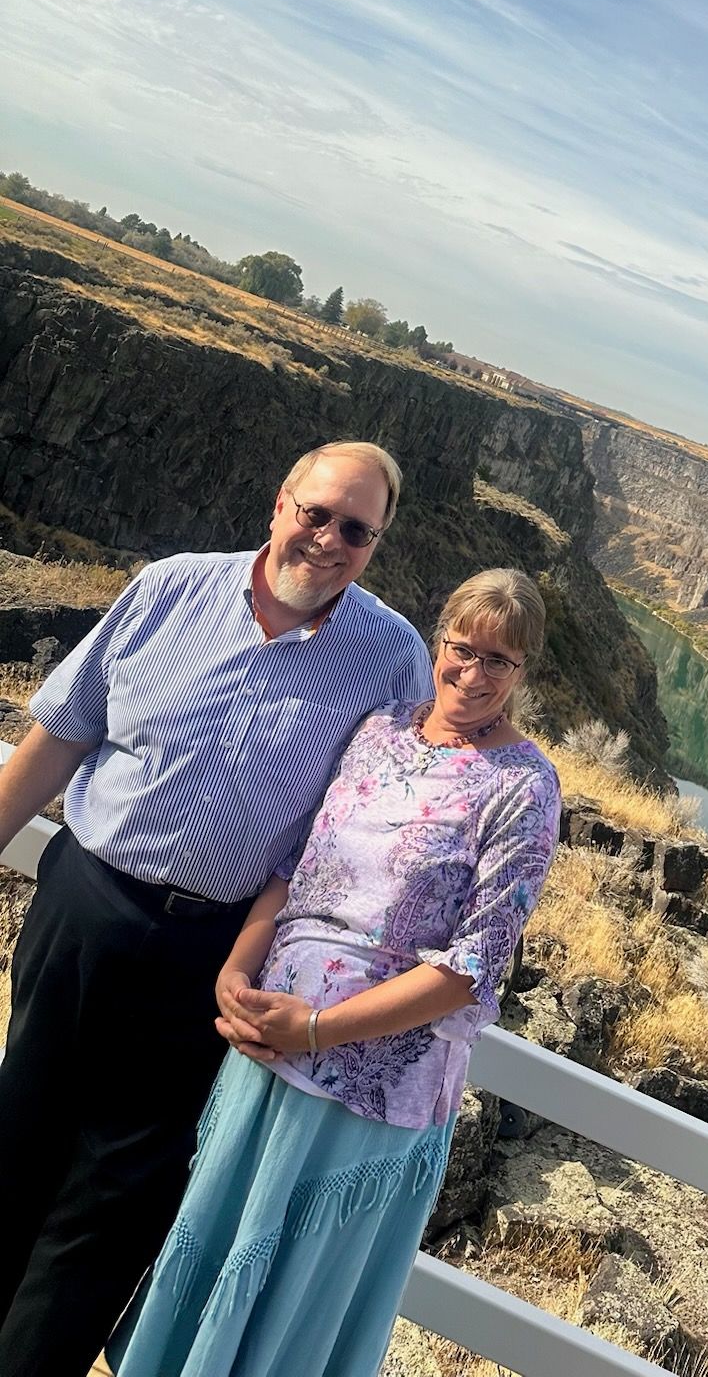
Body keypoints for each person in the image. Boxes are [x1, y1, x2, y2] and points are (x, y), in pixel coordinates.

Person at [0, 440, 432, 1377]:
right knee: (18, 1130)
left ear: (376, 545)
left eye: (356, 530)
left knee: (120, 1195)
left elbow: (364, 831)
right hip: (86, 905)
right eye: (316, 513)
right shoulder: (170, 590)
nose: (328, 539)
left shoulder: (393, 659)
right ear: (281, 502)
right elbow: (58, 738)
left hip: (218, 955)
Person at [108, 568, 561, 1377]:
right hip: (266, 1044)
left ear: (523, 672)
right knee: (214, 1239)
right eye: (463, 647)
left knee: (288, 1292)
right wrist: (237, 966)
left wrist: (316, 1029)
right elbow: (295, 862)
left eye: (501, 660)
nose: (474, 672)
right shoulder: (380, 728)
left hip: (369, 1085)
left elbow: (471, 966)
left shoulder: (524, 788)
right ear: (439, 640)